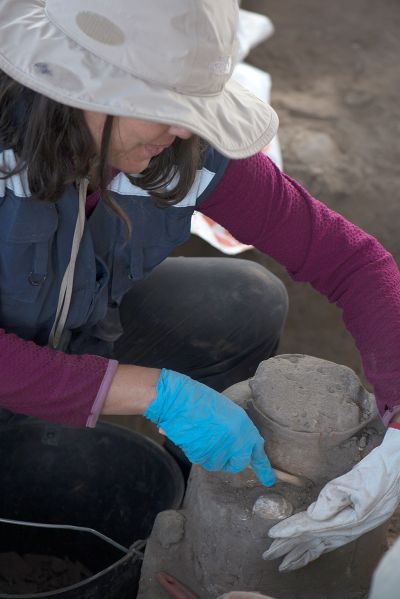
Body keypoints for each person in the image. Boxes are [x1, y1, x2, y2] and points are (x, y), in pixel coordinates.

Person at [0, 0, 399, 572]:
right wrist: (155, 393)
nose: (184, 128)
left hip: (78, 330)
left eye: (190, 107)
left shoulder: (185, 148)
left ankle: (201, 507)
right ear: (85, 83)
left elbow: (355, 262)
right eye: (159, 107)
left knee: (243, 303)